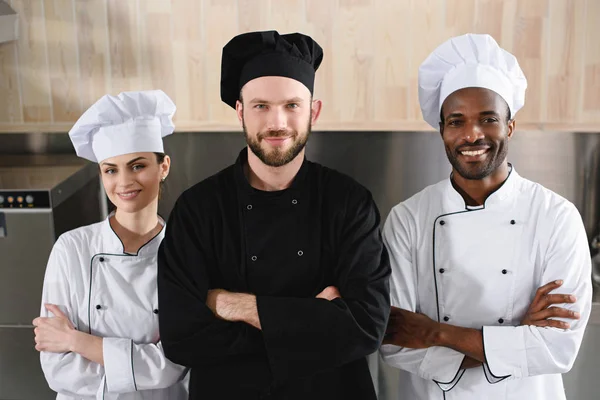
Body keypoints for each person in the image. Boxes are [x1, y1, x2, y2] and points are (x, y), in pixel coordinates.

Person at [157, 30, 391, 400]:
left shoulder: (349, 203)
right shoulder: (198, 209)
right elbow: (181, 337)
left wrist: (237, 306)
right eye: (261, 106)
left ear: (313, 110)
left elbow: (367, 327)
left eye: (292, 105)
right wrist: (313, 320)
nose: (276, 122)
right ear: (240, 112)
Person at [380, 33, 593, 399]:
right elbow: (395, 339)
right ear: (443, 131)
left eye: (488, 119)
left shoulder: (556, 217)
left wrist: (436, 333)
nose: (472, 134)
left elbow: (558, 347)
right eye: (456, 121)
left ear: (510, 126)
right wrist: (514, 339)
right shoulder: (408, 220)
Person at [33, 90, 188, 399]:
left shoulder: (185, 252)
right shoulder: (72, 248)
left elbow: (176, 363)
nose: (124, 182)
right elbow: (57, 368)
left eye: (138, 165)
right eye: (110, 170)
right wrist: (143, 368)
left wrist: (78, 342)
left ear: (164, 167)